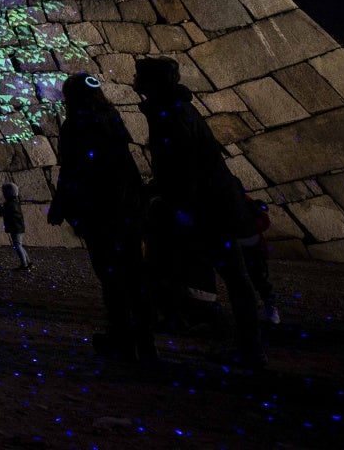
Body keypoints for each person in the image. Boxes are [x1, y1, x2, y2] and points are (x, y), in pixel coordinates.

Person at [133, 55, 264, 367]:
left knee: (229, 274)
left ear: (152, 83)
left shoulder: (170, 114)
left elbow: (184, 166)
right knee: (230, 274)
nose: (133, 80)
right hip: (212, 203)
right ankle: (240, 341)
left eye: (139, 76)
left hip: (208, 207)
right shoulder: (174, 109)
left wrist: (180, 206)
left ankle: (246, 346)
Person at [48, 72, 157, 364]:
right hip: (127, 208)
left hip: (100, 211)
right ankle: (145, 339)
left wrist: (62, 205)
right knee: (134, 272)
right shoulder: (112, 119)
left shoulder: (76, 125)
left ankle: (121, 336)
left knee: (111, 275)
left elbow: (73, 169)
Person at [0, 181, 32, 271]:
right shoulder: (15, 203)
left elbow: (8, 215)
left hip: (15, 228)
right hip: (19, 227)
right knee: (19, 245)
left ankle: (24, 265)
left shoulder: (9, 204)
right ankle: (28, 263)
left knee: (17, 246)